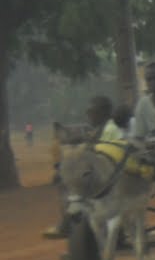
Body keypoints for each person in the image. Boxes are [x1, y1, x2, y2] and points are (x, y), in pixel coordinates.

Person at [42, 96, 126, 239]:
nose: (88, 115)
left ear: (105, 112)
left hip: (111, 174)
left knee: (74, 183)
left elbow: (112, 152)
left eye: (92, 111)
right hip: (101, 172)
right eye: (87, 112)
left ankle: (67, 223)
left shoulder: (112, 129)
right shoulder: (96, 130)